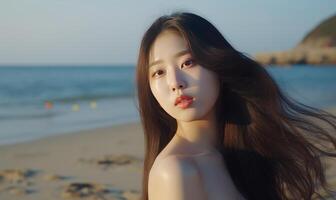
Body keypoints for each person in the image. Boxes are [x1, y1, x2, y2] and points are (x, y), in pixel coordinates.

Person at [135, 12, 336, 200]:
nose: (175, 83)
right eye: (158, 72)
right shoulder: (174, 171)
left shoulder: (246, 153)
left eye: (188, 62)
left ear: (217, 66)